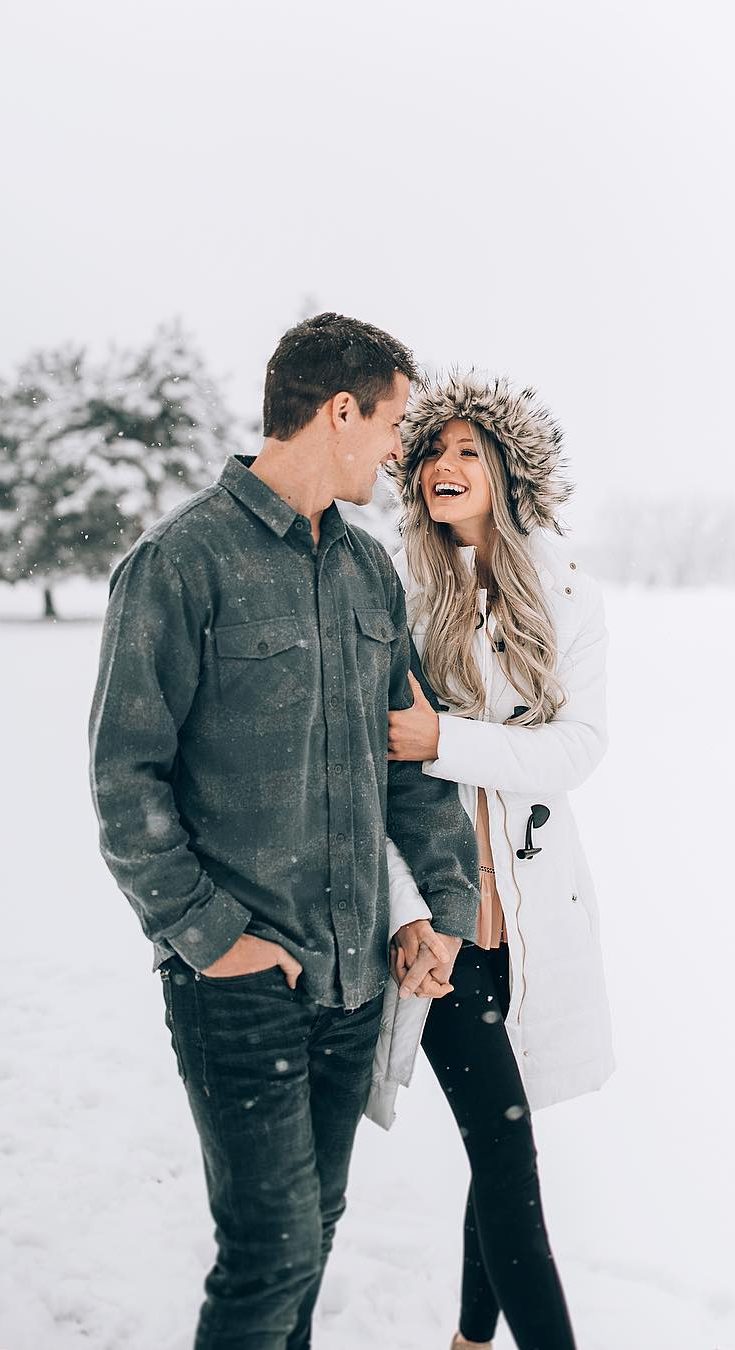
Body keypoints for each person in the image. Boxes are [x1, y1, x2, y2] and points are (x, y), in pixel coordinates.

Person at [88, 316, 482, 1350]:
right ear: (339, 411)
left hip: (353, 981)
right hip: (240, 983)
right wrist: (214, 938)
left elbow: (406, 765)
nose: (398, 450)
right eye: (392, 423)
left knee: (314, 1234)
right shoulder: (180, 562)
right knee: (270, 1254)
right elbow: (125, 780)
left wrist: (442, 907)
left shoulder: (367, 574)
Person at [367, 372, 615, 1350]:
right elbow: (366, 782)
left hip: (533, 916)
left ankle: (471, 1339)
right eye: (432, 449)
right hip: (441, 926)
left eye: (469, 450)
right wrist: (403, 911)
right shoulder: (390, 594)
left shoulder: (565, 593)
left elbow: (575, 749)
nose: (444, 464)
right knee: (508, 1159)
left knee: (501, 1144)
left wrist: (445, 740)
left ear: (509, 472)